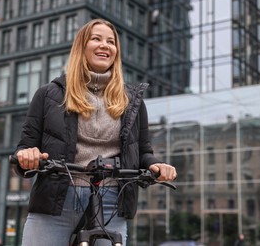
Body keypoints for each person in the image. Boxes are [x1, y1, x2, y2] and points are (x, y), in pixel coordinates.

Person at [13, 18, 177, 246]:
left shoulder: (132, 101)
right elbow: (25, 147)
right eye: (96, 39)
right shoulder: (49, 94)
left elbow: (142, 152)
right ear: (82, 46)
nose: (105, 45)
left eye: (111, 41)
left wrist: (156, 165)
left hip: (110, 201)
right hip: (55, 200)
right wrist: (27, 156)